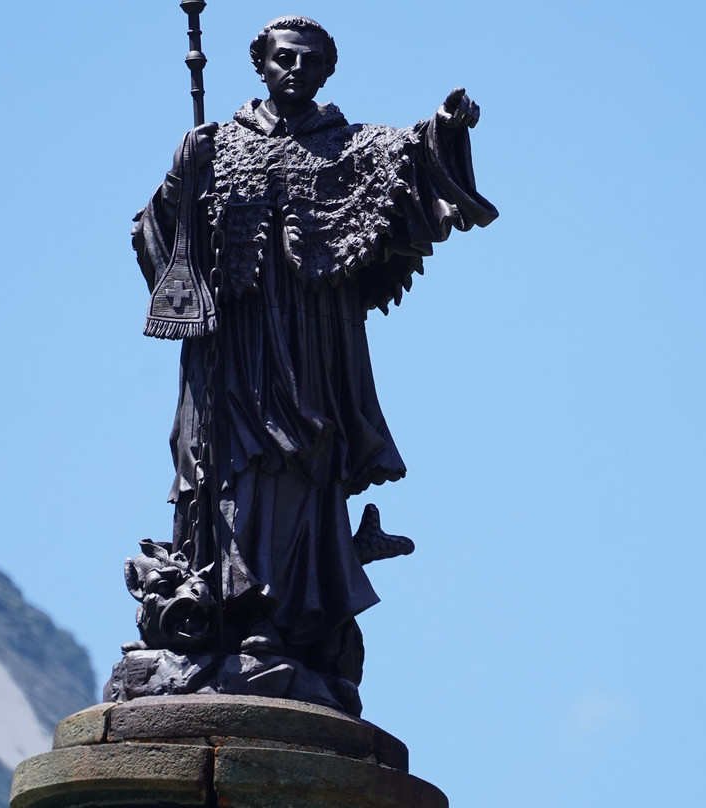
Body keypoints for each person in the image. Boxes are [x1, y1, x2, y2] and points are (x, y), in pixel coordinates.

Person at [132, 16, 497, 706]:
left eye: (309, 61)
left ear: (326, 72)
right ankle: (221, 600)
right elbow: (156, 233)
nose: (295, 70)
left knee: (300, 463)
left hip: (311, 344)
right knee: (230, 466)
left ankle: (284, 614)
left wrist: (446, 127)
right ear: (259, 64)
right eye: (282, 58)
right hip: (232, 344)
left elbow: (410, 155)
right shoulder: (216, 145)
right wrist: (185, 171)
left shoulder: (344, 147)